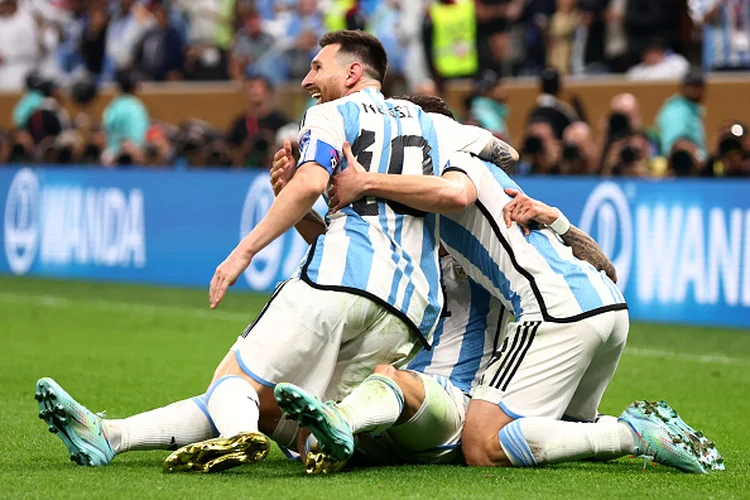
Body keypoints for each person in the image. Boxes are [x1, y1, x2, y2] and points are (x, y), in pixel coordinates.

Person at [35, 29, 478, 474]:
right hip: (409, 311)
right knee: (301, 423)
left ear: (353, 73)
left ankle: (236, 437)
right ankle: (109, 436)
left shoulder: (329, 114)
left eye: (317, 67)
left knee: (234, 381)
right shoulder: (429, 123)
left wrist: (242, 253)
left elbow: (311, 183)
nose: (307, 80)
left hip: (340, 279)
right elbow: (500, 153)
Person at [304, 105, 723, 475]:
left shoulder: (450, 168)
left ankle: (632, 435)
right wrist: (558, 221)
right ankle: (645, 434)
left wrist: (367, 182)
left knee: (481, 444)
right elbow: (606, 269)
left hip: (553, 312)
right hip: (609, 308)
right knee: (563, 435)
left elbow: (437, 207)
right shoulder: (493, 178)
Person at [655, 69, 707, 158]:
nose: (698, 90)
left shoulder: (692, 109)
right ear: (683, 87)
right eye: (693, 86)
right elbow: (673, 146)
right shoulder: (676, 112)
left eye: (700, 86)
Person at [102, 70, 150, 163]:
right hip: (131, 159)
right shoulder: (137, 107)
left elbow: (106, 128)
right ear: (134, 87)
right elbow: (139, 137)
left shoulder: (113, 105)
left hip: (110, 157)